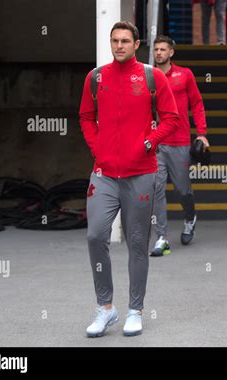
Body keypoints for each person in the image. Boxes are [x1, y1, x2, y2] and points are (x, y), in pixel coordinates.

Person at [79, 21, 179, 337]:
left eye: (125, 41)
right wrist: (98, 147)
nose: (119, 46)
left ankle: (135, 309)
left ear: (136, 44)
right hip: (104, 174)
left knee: (138, 244)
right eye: (114, 41)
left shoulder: (153, 76)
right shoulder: (96, 78)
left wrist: (149, 142)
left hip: (141, 173)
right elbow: (85, 116)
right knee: (96, 236)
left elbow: (172, 118)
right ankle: (105, 308)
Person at [151, 35, 209, 257]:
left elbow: (197, 103)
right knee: (156, 189)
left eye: (163, 49)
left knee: (183, 190)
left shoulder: (184, 75)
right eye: (156, 49)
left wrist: (202, 134)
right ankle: (162, 237)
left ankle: (190, 217)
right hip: (157, 143)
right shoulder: (148, 77)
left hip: (180, 142)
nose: (158, 53)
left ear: (171, 52)